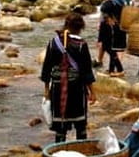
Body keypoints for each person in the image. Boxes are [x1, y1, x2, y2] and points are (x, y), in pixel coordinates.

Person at [40, 12, 97, 142]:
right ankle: (81, 151)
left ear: (65, 25)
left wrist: (47, 91)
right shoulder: (82, 45)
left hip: (58, 89)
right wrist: (93, 92)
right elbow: (86, 71)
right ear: (80, 28)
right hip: (77, 90)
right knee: (80, 125)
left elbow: (46, 69)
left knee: (60, 126)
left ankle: (58, 153)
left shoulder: (53, 43)